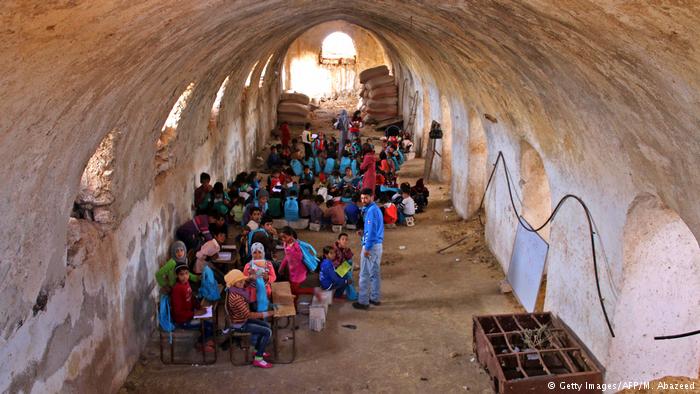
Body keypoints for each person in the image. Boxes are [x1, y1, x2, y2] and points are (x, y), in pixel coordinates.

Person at [224, 269, 275, 368]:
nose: (243, 283)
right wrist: (267, 313)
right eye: (240, 282)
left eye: (243, 280)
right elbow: (249, 315)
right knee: (267, 331)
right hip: (240, 324)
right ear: (233, 283)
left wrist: (251, 278)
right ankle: (258, 359)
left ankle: (257, 350)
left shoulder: (235, 289)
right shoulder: (236, 298)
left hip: (241, 319)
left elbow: (245, 282)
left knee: (265, 325)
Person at [171, 265, 214, 353]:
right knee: (208, 325)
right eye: (181, 274)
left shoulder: (186, 284)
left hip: (190, 315)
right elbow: (178, 312)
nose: (184, 277)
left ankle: (204, 340)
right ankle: (200, 344)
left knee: (210, 322)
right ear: (177, 276)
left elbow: (192, 299)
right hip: (182, 321)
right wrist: (195, 314)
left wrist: (199, 307)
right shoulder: (177, 289)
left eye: (186, 274)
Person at [353, 188, 384, 310]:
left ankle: (363, 301)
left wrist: (367, 247)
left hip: (370, 246)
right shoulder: (375, 209)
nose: (363, 200)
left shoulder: (371, 211)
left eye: (366, 198)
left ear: (372, 197)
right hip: (377, 246)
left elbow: (371, 232)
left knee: (364, 274)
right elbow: (372, 229)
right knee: (375, 273)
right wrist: (363, 233)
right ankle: (375, 298)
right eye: (362, 198)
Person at [278, 226, 314, 296]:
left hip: (298, 271)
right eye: (282, 237)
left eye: (284, 237)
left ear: (291, 236)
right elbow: (287, 257)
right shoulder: (286, 244)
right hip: (292, 270)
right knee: (294, 289)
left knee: (295, 291)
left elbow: (299, 257)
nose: (283, 239)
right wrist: (281, 268)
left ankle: (313, 291)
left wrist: (296, 245)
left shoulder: (297, 247)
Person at [243, 243, 277, 311]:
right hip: (252, 294)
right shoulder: (248, 266)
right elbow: (243, 281)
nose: (257, 255)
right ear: (252, 253)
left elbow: (274, 277)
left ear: (263, 253)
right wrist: (249, 278)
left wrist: (267, 277)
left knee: (264, 310)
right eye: (255, 252)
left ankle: (263, 320)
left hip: (265, 293)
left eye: (260, 252)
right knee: (255, 310)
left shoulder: (268, 264)